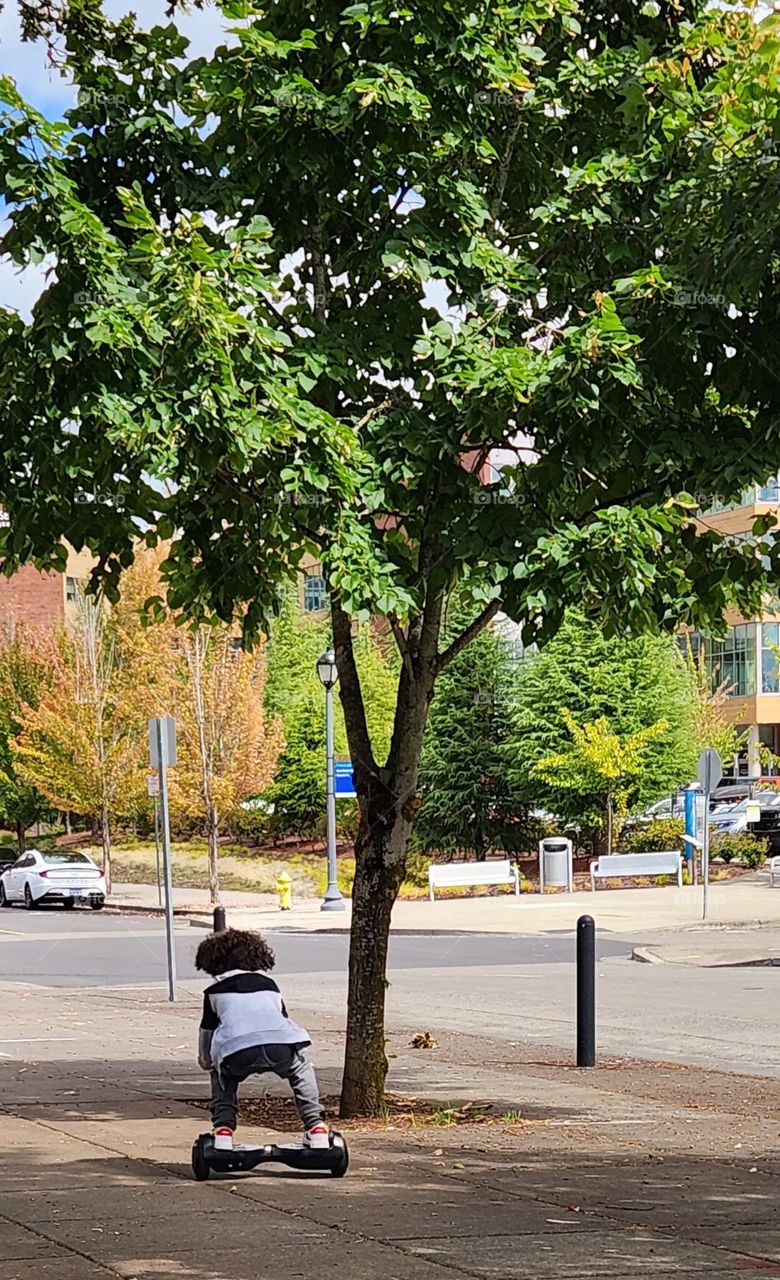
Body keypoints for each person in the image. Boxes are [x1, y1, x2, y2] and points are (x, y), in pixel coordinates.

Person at [195, 927, 329, 1151]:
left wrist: (206, 1061)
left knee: (222, 1076)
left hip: (237, 1051)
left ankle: (223, 1130)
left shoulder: (214, 992)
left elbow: (206, 1030)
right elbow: (280, 1017)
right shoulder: (270, 985)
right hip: (280, 1044)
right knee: (300, 1069)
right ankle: (315, 1126)